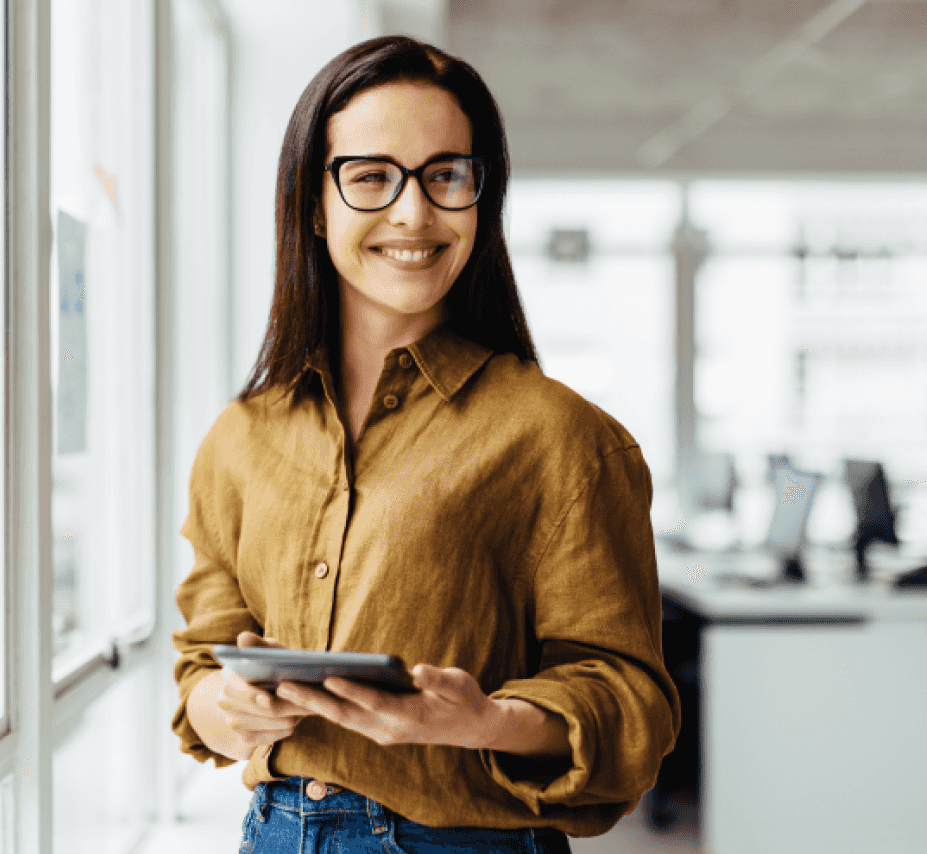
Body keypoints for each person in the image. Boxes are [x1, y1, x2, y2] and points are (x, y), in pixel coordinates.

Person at [171, 34, 681, 854]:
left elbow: (632, 710)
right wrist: (230, 707)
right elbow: (203, 666)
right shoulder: (242, 436)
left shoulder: (560, 437)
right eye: (371, 177)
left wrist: (486, 719)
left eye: (446, 175)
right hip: (273, 834)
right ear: (313, 202)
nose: (414, 212)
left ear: (481, 198)